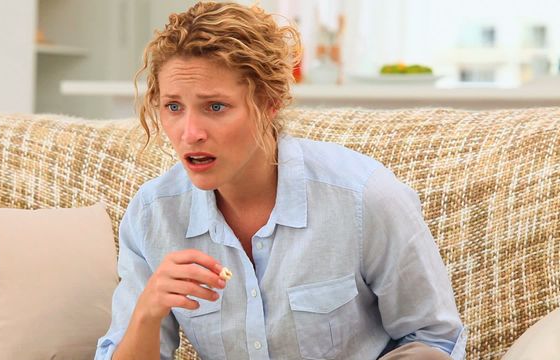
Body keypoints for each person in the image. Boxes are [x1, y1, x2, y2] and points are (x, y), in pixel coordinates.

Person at [95, 2, 466, 359]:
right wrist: (147, 310)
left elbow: (435, 339)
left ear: (270, 101)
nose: (190, 133)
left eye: (215, 107)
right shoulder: (152, 216)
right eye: (173, 107)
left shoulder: (364, 197)